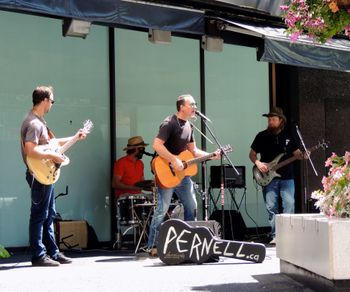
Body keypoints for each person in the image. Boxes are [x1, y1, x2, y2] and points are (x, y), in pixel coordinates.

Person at [20, 85, 87, 266]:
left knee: (49, 214)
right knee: (39, 215)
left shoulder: (39, 122)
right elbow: (30, 150)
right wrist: (53, 156)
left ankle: (53, 252)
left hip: (44, 174)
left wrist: (75, 137)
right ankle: (38, 255)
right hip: (38, 175)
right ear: (44, 100)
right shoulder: (34, 123)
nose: (52, 104)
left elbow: (51, 143)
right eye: (52, 100)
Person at [147, 94, 220, 256]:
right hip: (166, 171)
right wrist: (173, 160)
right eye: (192, 104)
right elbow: (157, 145)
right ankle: (152, 245)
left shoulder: (189, 126)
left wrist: (211, 155)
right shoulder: (169, 123)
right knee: (162, 209)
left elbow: (193, 152)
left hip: (182, 176)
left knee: (192, 206)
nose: (195, 107)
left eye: (195, 104)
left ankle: (189, 241)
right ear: (182, 107)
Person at [249, 107, 305, 245]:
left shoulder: (290, 135)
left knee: (289, 204)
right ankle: (276, 235)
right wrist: (258, 163)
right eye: (269, 119)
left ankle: (288, 235)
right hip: (267, 177)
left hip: (287, 176)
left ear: (281, 121)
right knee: (271, 207)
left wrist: (303, 155)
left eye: (273, 119)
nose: (270, 121)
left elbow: (298, 153)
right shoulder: (261, 136)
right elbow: (252, 154)